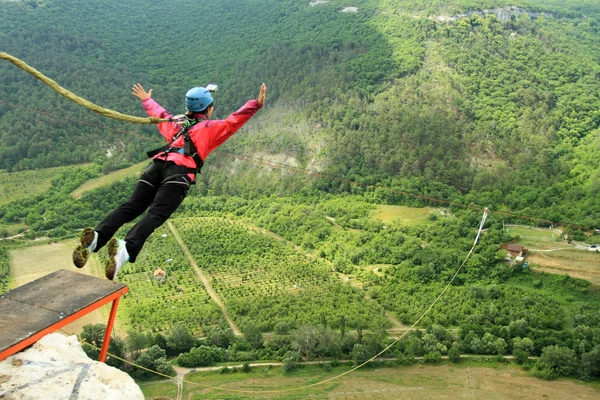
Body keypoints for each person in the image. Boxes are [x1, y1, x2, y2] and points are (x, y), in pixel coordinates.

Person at [73, 82, 267, 280]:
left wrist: (147, 100)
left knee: (131, 206)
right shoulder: (210, 127)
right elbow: (232, 121)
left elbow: (161, 115)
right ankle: (124, 250)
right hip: (178, 174)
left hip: (155, 168)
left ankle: (96, 238)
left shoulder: (176, 123)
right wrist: (256, 104)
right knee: (156, 214)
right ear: (208, 109)